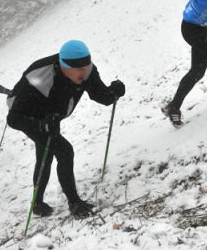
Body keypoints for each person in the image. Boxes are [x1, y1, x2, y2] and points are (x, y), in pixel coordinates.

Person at [7, 40, 125, 218]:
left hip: (54, 114)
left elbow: (100, 95)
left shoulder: (86, 70)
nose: (84, 72)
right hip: (29, 113)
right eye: (79, 69)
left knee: (45, 154)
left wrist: (113, 92)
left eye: (87, 66)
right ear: (64, 66)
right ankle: (74, 203)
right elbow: (13, 119)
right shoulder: (38, 76)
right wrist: (41, 124)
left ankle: (37, 203)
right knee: (64, 151)